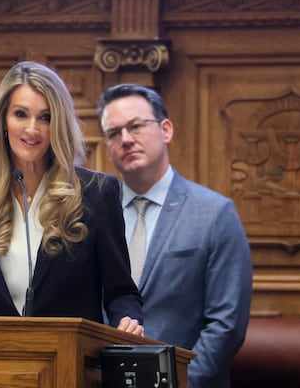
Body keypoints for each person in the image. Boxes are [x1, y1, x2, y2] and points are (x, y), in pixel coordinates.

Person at [0, 61, 144, 335]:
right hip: (4, 366)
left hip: (70, 363)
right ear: (4, 121)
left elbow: (121, 292)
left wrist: (128, 319)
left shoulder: (96, 192)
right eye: (21, 114)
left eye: (45, 117)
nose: (32, 129)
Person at [98, 83, 253, 388]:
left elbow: (226, 324)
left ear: (165, 130)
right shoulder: (96, 215)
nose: (126, 140)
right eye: (114, 133)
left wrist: (180, 384)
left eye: (136, 126)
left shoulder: (215, 213)